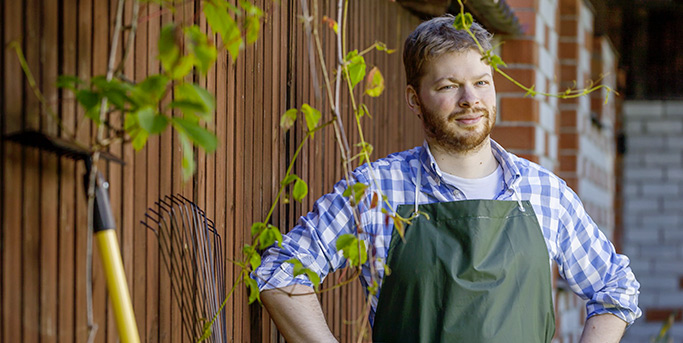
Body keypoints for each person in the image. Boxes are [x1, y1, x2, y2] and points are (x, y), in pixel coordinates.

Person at [253, 15, 641, 343]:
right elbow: (279, 272)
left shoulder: (544, 193)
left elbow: (615, 288)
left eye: (481, 81)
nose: (470, 99)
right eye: (448, 86)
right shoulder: (377, 190)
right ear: (413, 98)